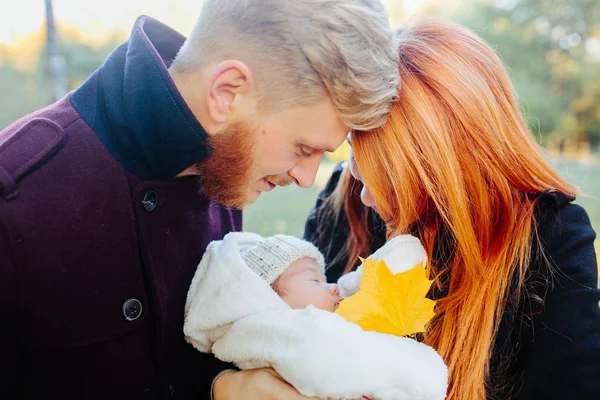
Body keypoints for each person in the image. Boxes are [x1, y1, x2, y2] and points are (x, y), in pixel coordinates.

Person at [0, 1, 400, 399]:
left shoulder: (226, 160)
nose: (306, 177)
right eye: (303, 148)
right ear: (227, 92)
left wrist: (220, 387)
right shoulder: (16, 202)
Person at [305, 19, 600, 400]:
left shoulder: (551, 236)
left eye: (393, 177)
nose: (367, 196)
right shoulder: (344, 200)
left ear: (451, 169)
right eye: (361, 158)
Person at [183, 232, 448, 400]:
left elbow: (357, 286)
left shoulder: (311, 319)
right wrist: (422, 377)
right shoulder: (283, 332)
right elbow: (327, 351)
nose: (332, 287)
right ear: (268, 297)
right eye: (314, 280)